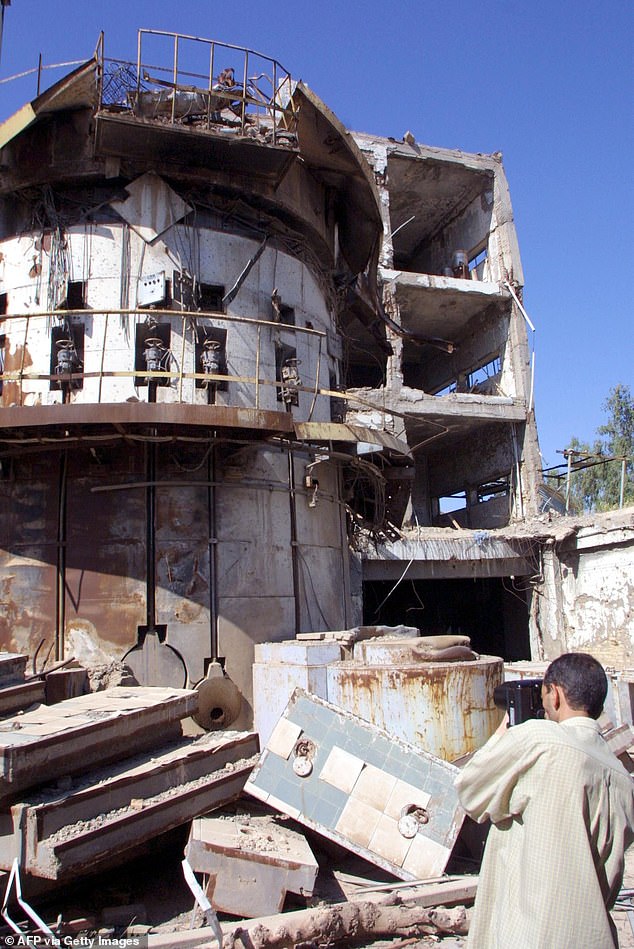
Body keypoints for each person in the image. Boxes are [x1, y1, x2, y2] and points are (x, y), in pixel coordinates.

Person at [455, 652, 634, 948]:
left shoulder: (539, 740)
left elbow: (470, 790)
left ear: (556, 695)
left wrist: (508, 728)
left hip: (532, 936)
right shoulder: (621, 779)